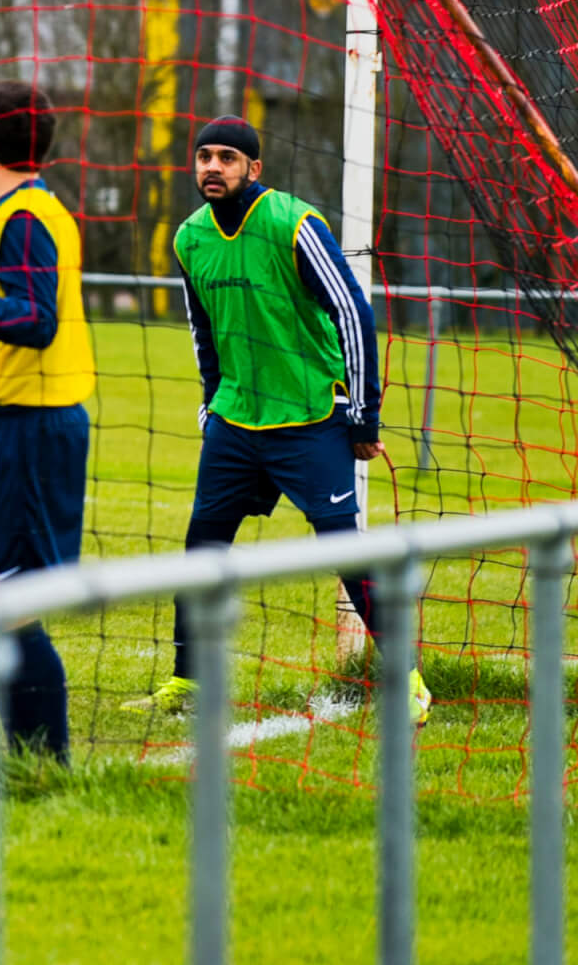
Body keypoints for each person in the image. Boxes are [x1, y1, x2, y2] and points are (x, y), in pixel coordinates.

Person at [127, 116, 429, 724]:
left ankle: (409, 680)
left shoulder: (294, 222)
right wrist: (213, 402)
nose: (213, 167)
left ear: (253, 169)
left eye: (228, 159)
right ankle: (189, 682)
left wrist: (362, 415)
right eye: (205, 156)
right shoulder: (189, 237)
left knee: (343, 548)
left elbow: (352, 311)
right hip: (236, 422)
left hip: (311, 415)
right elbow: (203, 330)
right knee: (202, 546)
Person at [0, 83, 93, 763]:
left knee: (9, 598)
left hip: (29, 426)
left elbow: (35, 321)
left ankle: (45, 763)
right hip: (13, 422)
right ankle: (27, 756)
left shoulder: (24, 218)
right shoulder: (15, 212)